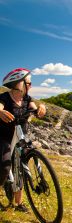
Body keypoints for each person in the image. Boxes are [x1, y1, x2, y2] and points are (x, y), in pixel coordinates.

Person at [0, 68, 46, 212]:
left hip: (21, 136)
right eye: (29, 83)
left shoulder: (27, 98)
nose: (31, 86)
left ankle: (19, 204)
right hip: (4, 137)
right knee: (4, 165)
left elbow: (35, 109)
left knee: (21, 167)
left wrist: (41, 108)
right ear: (19, 83)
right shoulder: (5, 97)